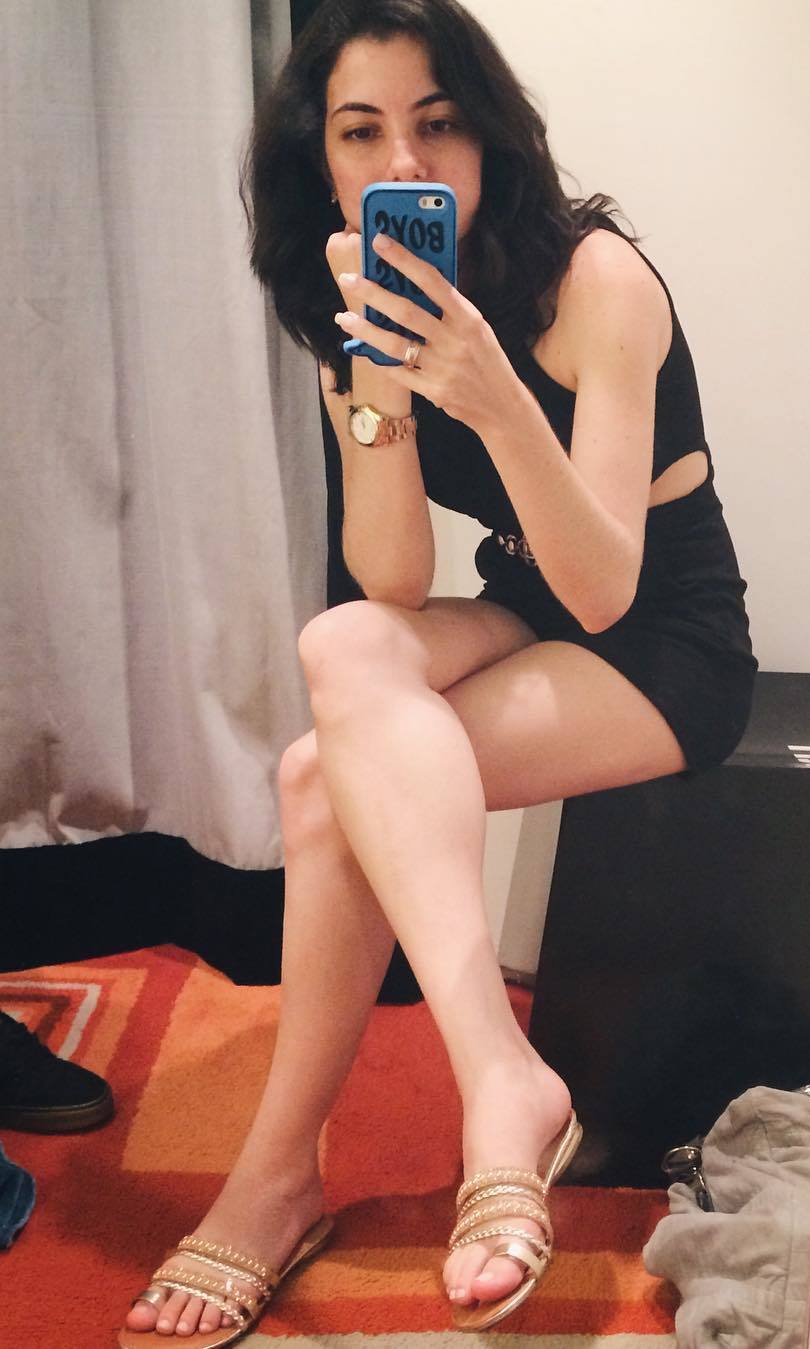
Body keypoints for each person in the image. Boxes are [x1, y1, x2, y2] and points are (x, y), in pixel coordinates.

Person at [119, 0, 755, 1343]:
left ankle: (283, 1176)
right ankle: (489, 1077)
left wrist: (493, 390)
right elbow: (395, 579)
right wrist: (384, 394)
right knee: (341, 642)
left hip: (666, 637)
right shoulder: (355, 302)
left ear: (489, 134)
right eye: (361, 132)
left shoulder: (596, 283)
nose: (402, 160)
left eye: (436, 121)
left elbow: (609, 584)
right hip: (528, 600)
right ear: (321, 158)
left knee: (318, 782)